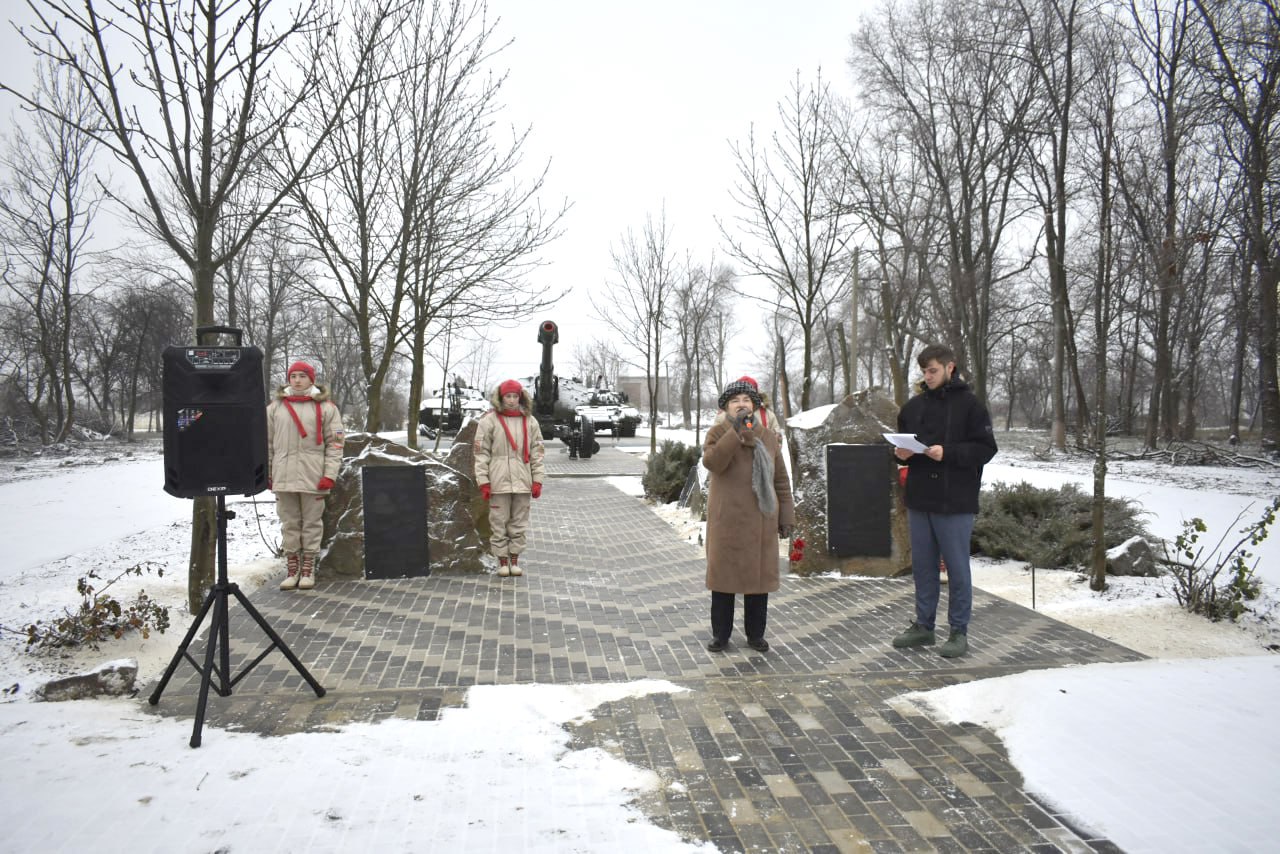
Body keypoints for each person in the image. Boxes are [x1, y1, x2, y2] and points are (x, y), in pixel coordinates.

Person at [891, 344, 997, 657]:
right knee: (923, 568)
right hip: (920, 498)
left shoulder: (971, 406)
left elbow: (985, 449)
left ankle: (958, 631)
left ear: (950, 367)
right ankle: (924, 627)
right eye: (924, 371)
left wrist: (947, 452)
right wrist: (900, 453)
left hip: (956, 501)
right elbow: (902, 445)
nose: (927, 376)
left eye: (933, 370)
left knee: (956, 569)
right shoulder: (913, 407)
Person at [702, 378, 796, 653]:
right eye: (735, 401)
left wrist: (786, 515)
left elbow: (780, 478)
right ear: (726, 408)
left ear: (755, 406)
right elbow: (714, 462)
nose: (742, 405)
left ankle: (756, 635)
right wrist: (736, 433)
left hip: (760, 519)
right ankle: (721, 635)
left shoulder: (767, 437)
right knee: (723, 583)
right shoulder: (717, 433)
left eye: (746, 401)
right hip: (727, 521)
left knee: (757, 585)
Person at [267, 361, 345, 591]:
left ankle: (308, 569)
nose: (297, 380)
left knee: (311, 523)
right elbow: (267, 443)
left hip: (313, 475)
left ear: (312, 379)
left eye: (302, 375)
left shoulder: (327, 408)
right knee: (289, 523)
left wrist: (329, 474)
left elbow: (336, 444)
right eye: (293, 376)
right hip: (284, 475)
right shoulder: (274, 408)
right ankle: (292, 570)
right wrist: (268, 473)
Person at [474, 379, 546, 577]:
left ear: (520, 397)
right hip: (498, 481)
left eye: (515, 396)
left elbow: (537, 452)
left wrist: (537, 479)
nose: (512, 400)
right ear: (501, 397)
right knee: (498, 522)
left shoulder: (530, 421)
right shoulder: (489, 421)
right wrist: (484, 481)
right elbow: (481, 454)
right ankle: (502, 561)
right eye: (508, 396)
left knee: (519, 523)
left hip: (523, 480)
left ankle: (515, 559)